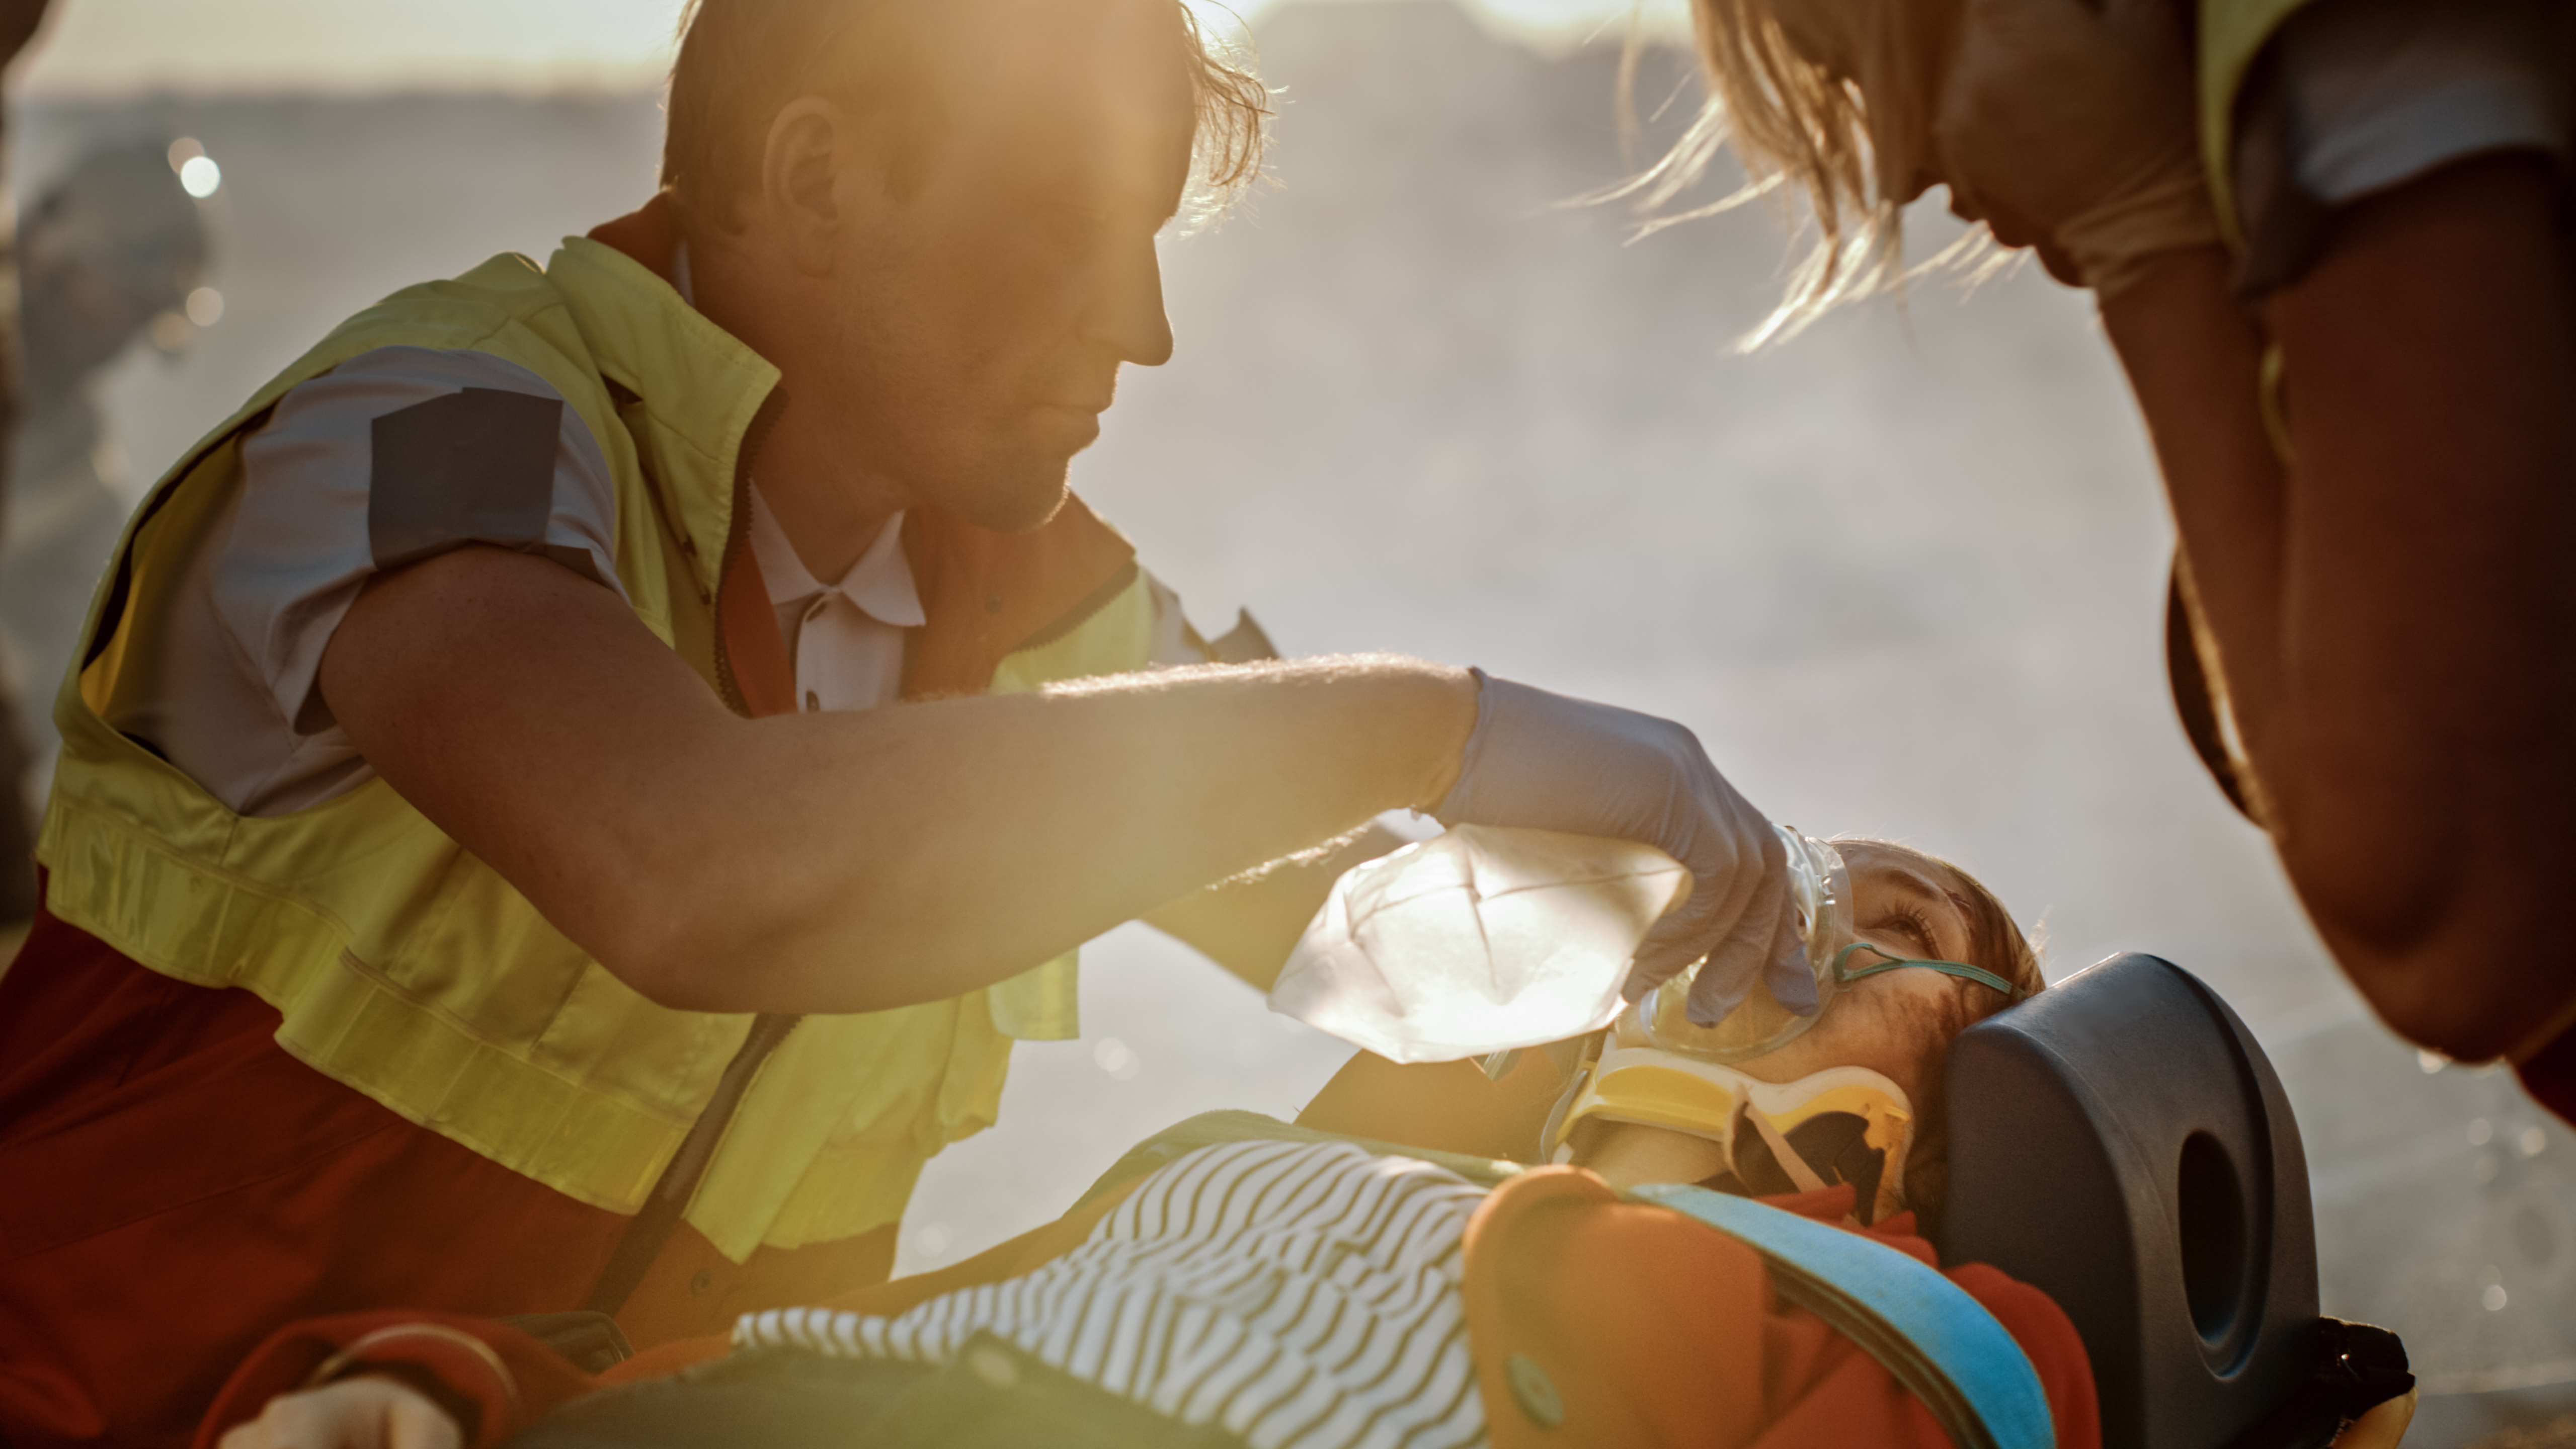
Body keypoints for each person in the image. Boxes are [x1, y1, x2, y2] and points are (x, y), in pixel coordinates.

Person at [0, 2, 1824, 1445]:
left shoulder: (1042, 593)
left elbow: (1371, 941)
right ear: (808, 182)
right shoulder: (435, 428)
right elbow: (688, 859)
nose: (1146, 327)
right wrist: (1438, 723)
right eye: (1069, 233)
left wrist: (1753, 920)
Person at [198, 837, 2100, 1449]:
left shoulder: (1951, 1334)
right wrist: (453, 1390)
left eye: (1904, 929)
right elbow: (860, 1355)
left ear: (1972, 1090)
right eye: (1772, 879)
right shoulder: (1248, 1158)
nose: (1796, 919)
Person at [1644, 0, 2576, 1117]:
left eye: (1855, 64)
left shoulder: (2361, 47)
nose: (1892, 171)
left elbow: (2445, 936)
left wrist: (2139, 234)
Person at [2, 143, 211, 786]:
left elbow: (86, 654)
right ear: (56, 255)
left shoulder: (79, 462)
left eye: (148, 317)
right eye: (127, 300)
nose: (127, 340)